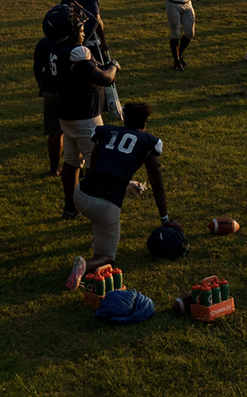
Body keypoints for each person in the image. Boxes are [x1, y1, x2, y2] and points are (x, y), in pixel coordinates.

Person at [65, 100, 172, 289]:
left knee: (98, 217)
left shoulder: (105, 132)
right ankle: (85, 265)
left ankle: (97, 240)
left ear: (124, 119)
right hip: (105, 205)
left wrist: (126, 183)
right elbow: (157, 184)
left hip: (80, 194)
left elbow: (95, 167)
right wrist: (164, 218)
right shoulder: (149, 142)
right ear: (145, 123)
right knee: (107, 258)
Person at [51, 3, 119, 219]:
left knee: (71, 162)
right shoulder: (77, 52)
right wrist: (113, 65)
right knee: (96, 166)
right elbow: (105, 78)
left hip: (67, 114)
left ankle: (70, 208)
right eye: (80, 29)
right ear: (71, 32)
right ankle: (95, 211)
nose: (83, 32)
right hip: (85, 117)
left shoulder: (56, 48)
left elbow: (90, 24)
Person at [32, 8, 66, 180]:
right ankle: (79, 164)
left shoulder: (43, 43)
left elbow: (37, 68)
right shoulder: (72, 44)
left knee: (55, 132)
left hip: (50, 89)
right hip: (70, 92)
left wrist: (42, 86)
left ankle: (55, 166)